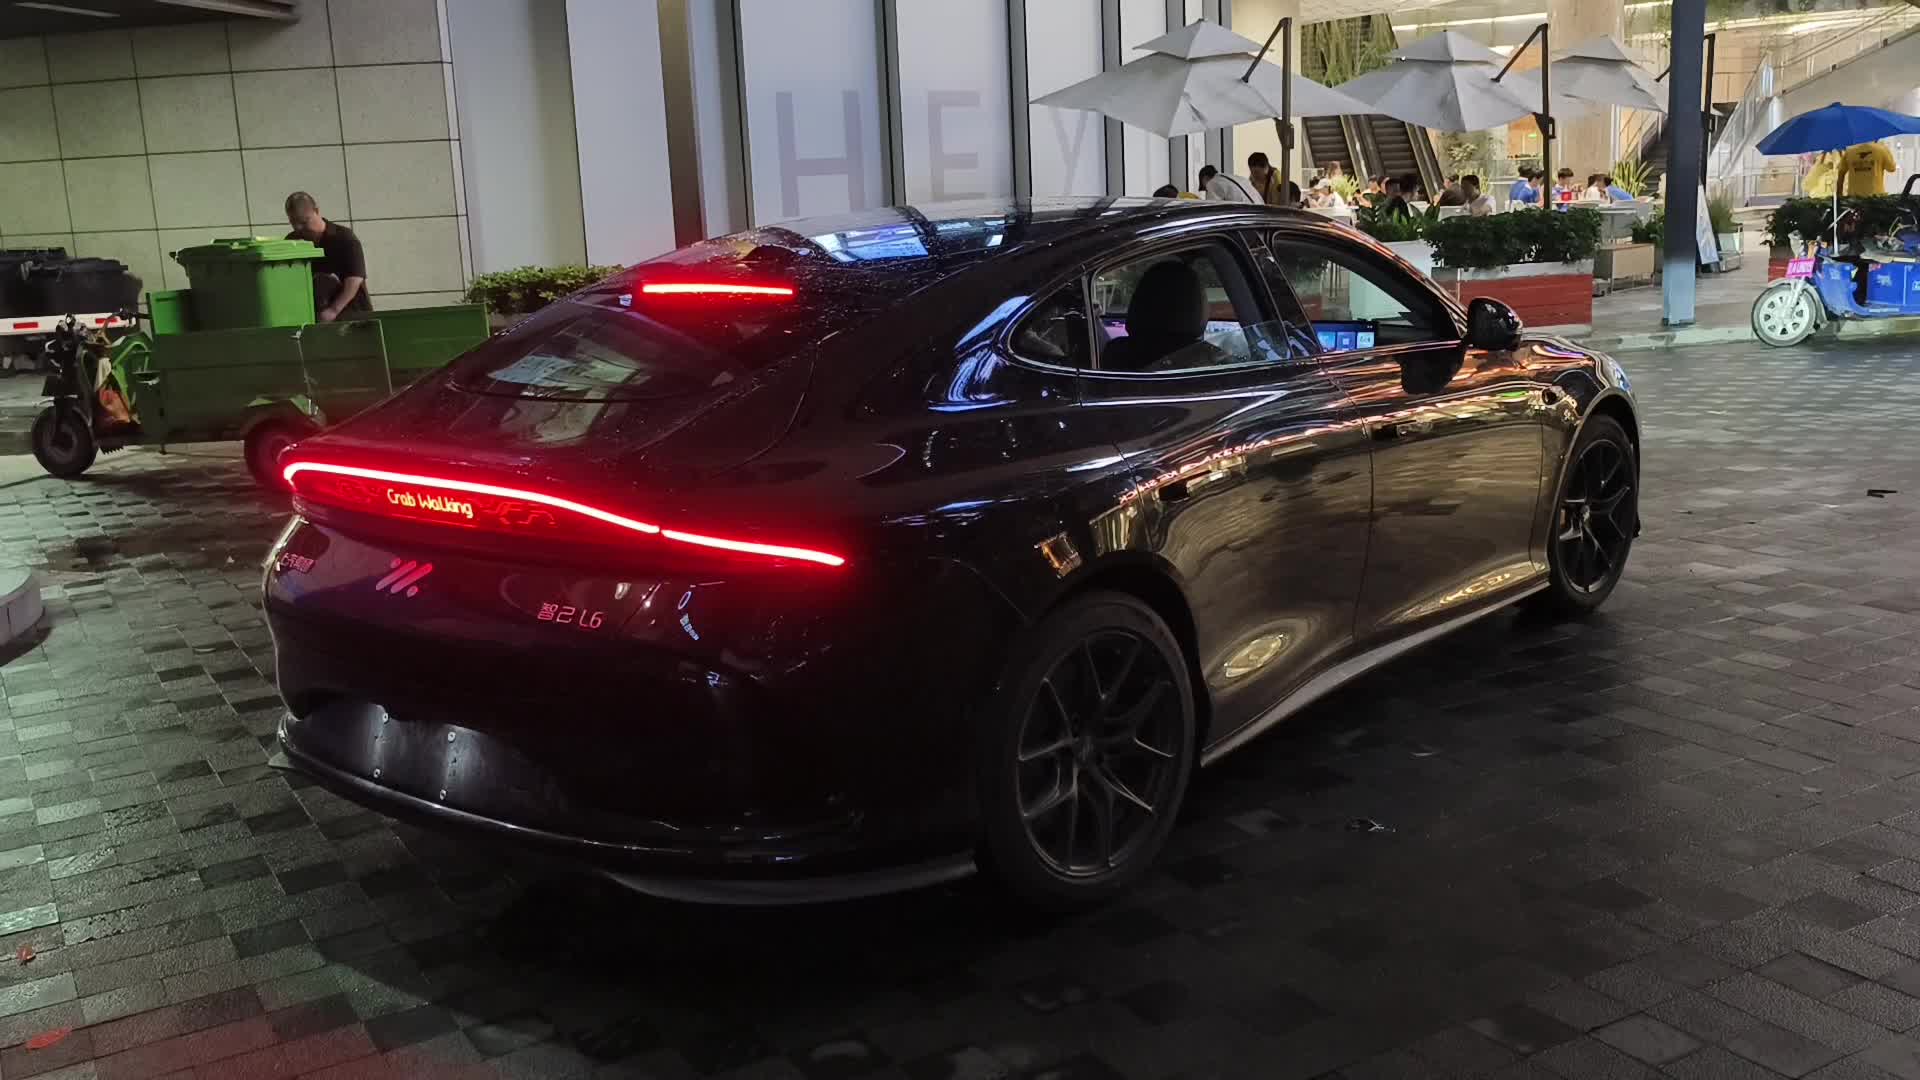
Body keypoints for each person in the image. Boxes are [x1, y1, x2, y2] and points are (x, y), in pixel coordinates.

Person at [285, 192, 371, 321]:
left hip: (352, 314)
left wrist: (333, 310)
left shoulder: (343, 238)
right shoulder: (293, 241)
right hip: (315, 315)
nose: (299, 227)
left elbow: (355, 279)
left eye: (304, 222)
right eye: (293, 222)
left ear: (317, 211)